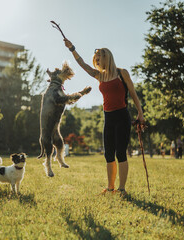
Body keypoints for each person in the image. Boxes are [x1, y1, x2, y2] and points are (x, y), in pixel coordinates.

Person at [64, 39, 145, 196]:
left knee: (120, 152)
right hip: (108, 118)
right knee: (109, 154)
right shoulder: (99, 76)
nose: (97, 62)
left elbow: (133, 94)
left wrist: (140, 113)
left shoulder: (122, 73)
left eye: (99, 58)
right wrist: (72, 48)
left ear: (107, 57)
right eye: (96, 59)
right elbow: (82, 64)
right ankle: (110, 188)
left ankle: (122, 189)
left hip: (122, 116)